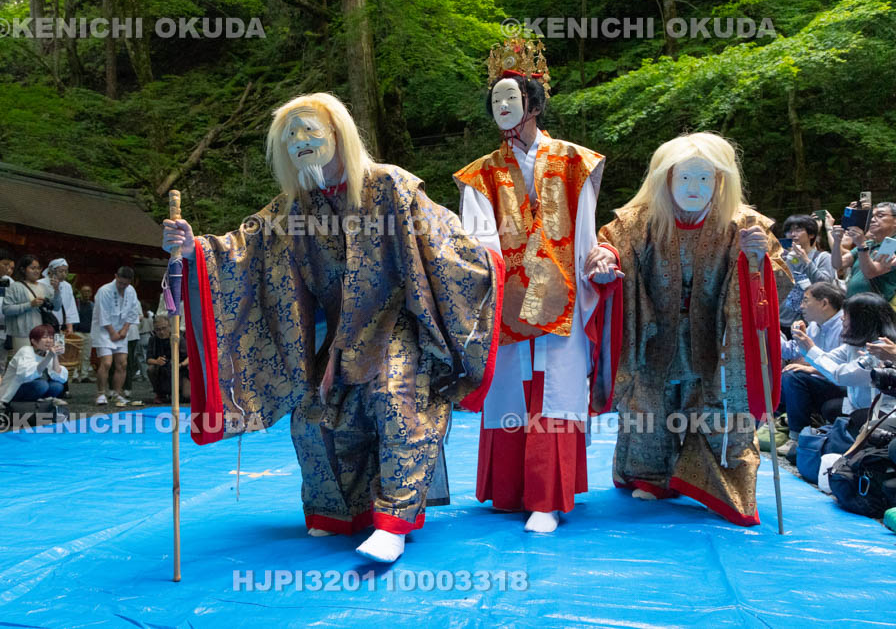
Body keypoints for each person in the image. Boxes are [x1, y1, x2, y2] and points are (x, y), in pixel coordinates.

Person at [162, 92, 501, 563]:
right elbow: (245, 249)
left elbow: (443, 242)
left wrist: (482, 261)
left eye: (309, 129)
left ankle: (394, 520)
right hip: (339, 332)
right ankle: (338, 512)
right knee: (313, 416)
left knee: (395, 396)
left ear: (338, 133)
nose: (301, 141)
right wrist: (194, 250)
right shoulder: (295, 207)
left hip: (395, 320)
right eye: (291, 135)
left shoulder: (390, 186)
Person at [453, 37, 617, 533]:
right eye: (496, 100)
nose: (503, 107)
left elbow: (586, 230)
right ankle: (509, 491)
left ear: (534, 101)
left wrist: (596, 263)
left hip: (562, 297)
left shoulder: (575, 161)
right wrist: (483, 269)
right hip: (505, 299)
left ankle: (547, 497)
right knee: (510, 392)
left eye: (512, 97)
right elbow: (477, 237)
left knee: (555, 392)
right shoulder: (480, 174)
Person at [590, 132, 793, 526]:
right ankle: (650, 474)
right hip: (655, 330)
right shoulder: (641, 222)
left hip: (717, 335)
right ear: (665, 180)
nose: (693, 188)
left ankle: (718, 478)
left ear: (721, 181)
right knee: (649, 404)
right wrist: (605, 256)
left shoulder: (745, 225)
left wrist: (758, 259)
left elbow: (778, 283)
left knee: (719, 407)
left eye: (704, 178)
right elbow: (613, 244)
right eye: (684, 178)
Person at [791, 292, 896, 419]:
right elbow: (827, 359)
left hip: (882, 412)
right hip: (857, 404)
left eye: (846, 316)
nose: (842, 319)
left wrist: (809, 347)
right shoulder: (855, 344)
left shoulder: (880, 350)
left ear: (861, 321)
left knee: (856, 417)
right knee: (828, 407)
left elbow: (841, 376)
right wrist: (804, 345)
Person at [778, 282, 846, 452]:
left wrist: (812, 369)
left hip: (844, 387)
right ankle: (774, 423)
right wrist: (768, 329)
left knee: (793, 377)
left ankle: (797, 436)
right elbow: (790, 351)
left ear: (824, 303)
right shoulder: (815, 325)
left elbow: (843, 368)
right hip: (823, 381)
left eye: (806, 301)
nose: (801, 306)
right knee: (786, 373)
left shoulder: (844, 326)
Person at [779, 214, 837, 336]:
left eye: (798, 230)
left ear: (811, 234)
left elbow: (826, 285)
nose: (793, 234)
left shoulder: (823, 257)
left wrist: (806, 260)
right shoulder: (783, 259)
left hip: (810, 322)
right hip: (782, 318)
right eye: (789, 231)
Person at [91, 267, 140, 407]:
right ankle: (101, 393)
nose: (123, 286)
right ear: (116, 277)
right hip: (104, 330)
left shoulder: (131, 291)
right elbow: (103, 314)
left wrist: (125, 329)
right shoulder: (104, 290)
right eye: (120, 283)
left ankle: (117, 394)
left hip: (121, 329)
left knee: (122, 363)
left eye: (126, 284)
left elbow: (133, 311)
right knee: (106, 362)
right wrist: (112, 333)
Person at [830, 201, 896, 300]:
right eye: (872, 216)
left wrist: (861, 245)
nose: (873, 220)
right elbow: (838, 264)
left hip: (874, 307)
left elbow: (870, 273)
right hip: (855, 304)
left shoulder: (891, 244)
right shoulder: (869, 244)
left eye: (880, 215)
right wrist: (837, 241)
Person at [0, 324, 68, 406]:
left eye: (51, 338)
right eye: (44, 337)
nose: (49, 340)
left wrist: (55, 355)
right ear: (34, 341)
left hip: (35, 389)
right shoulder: (25, 350)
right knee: (41, 385)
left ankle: (43, 403)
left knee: (57, 386)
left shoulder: (49, 353)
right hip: (14, 390)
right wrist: (49, 357)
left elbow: (60, 377)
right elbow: (26, 375)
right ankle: (20, 405)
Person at [3, 255, 55, 353]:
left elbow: (56, 306)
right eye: (32, 268)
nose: (36, 271)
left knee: (39, 362)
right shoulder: (15, 287)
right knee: (24, 362)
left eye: (38, 268)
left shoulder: (45, 287)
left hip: (42, 333)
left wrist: (57, 290)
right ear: (23, 269)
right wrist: (30, 304)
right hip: (22, 333)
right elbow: (6, 309)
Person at [146, 315, 188, 404]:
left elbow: (190, 357)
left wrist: (180, 365)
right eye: (158, 329)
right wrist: (156, 361)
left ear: (169, 326)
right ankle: (160, 394)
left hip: (180, 368)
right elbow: (148, 359)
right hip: (161, 368)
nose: (161, 332)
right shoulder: (153, 339)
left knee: (187, 396)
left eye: (164, 328)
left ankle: (178, 392)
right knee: (151, 369)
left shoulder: (178, 337)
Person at [43, 258, 79, 337]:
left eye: (66, 271)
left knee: (59, 348)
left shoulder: (67, 286)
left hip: (60, 327)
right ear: (52, 271)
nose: (64, 274)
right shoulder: (41, 283)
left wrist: (70, 327)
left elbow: (70, 307)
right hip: (43, 326)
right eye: (61, 271)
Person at [73, 285, 94, 382]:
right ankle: (75, 375)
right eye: (84, 291)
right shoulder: (76, 304)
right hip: (77, 332)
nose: (86, 293)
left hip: (89, 333)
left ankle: (84, 375)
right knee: (76, 355)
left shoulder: (92, 305)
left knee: (86, 355)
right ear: (80, 293)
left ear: (91, 293)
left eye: (88, 291)